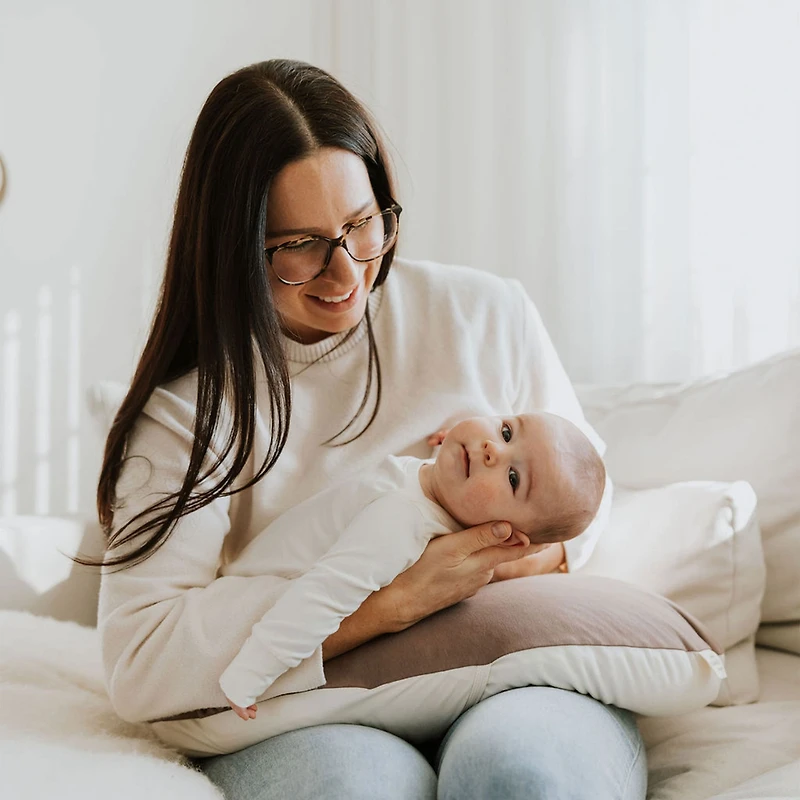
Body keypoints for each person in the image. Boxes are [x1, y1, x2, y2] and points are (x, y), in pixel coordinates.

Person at [93, 59, 647, 799]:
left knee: (521, 777)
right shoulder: (191, 414)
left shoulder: (483, 314)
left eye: (362, 224)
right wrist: (390, 602)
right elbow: (143, 656)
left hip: (511, 673)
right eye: (298, 246)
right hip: (315, 713)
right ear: (233, 245)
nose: (347, 271)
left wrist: (485, 563)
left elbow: (584, 498)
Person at [220, 410, 606, 720]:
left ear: (505, 535)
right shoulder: (434, 490)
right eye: (507, 431)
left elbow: (322, 596)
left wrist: (251, 672)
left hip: (264, 609)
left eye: (512, 477)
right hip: (244, 584)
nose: (491, 448)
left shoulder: (402, 523)